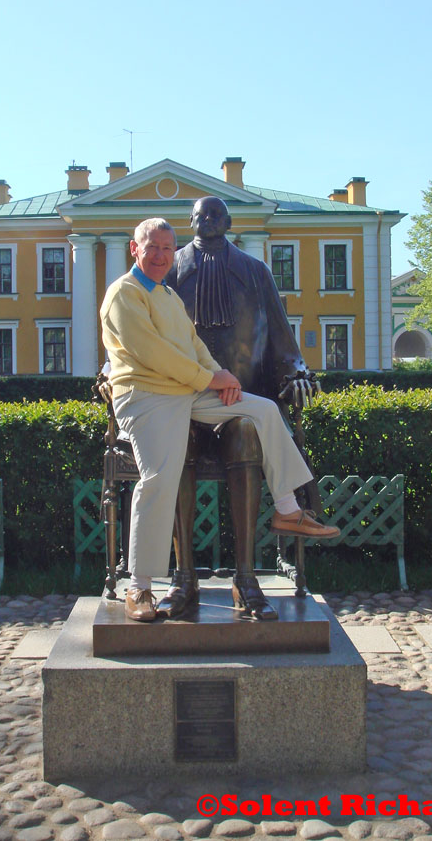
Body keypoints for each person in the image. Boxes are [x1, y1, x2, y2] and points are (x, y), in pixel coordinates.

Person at [100, 217, 338, 623]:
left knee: (263, 410)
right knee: (158, 478)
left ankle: (287, 508)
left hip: (184, 391)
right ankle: (139, 586)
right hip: (146, 397)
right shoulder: (124, 293)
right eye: (152, 247)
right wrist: (209, 379)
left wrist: (222, 377)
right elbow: (152, 353)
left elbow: (193, 345)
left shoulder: (167, 295)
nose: (160, 256)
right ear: (134, 249)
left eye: (167, 248)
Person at [164, 195, 325, 619]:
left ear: (230, 222)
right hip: (184, 401)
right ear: (189, 221)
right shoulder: (170, 270)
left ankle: (246, 578)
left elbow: (281, 337)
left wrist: (296, 372)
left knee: (248, 434)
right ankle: (183, 578)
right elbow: (137, 335)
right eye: (201, 214)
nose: (208, 220)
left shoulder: (255, 272)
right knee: (177, 438)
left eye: (216, 214)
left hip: (241, 402)